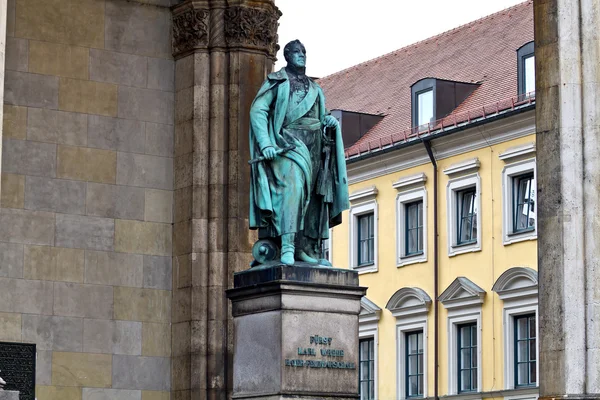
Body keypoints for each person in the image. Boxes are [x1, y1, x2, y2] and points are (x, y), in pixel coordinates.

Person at [248, 39, 349, 266]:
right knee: (292, 190)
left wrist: (328, 121)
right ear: (287, 56)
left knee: (311, 198)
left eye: (304, 51)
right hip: (287, 144)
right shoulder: (277, 82)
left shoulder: (315, 89)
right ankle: (287, 246)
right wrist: (266, 144)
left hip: (313, 146)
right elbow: (258, 110)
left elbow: (320, 116)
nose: (302, 55)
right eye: (296, 52)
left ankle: (304, 249)